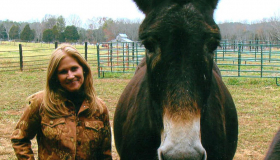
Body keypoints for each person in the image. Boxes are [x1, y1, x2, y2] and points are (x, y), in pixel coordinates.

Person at [11, 43, 112, 160]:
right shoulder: (42, 103)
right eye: (63, 72)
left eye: (74, 69)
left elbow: (105, 154)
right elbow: (19, 138)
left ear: (83, 69)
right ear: (55, 76)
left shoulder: (99, 108)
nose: (70, 76)